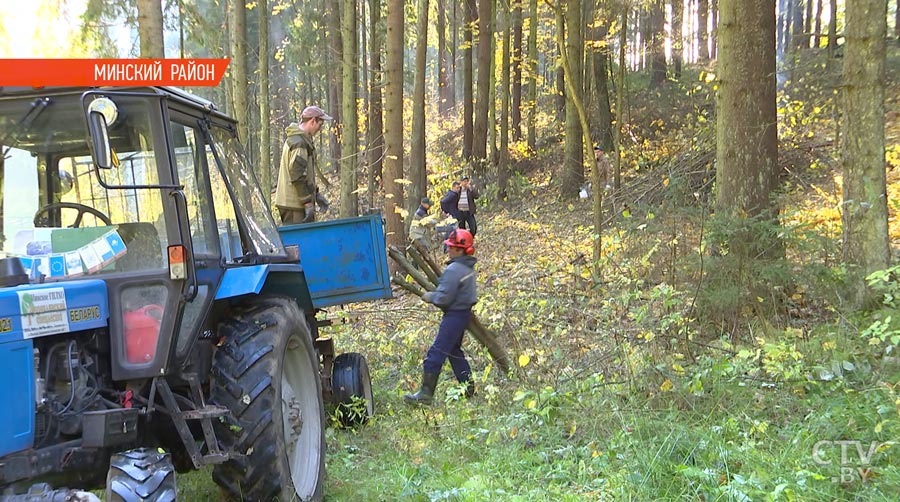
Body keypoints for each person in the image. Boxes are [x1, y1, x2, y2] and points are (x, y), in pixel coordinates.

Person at [404, 228, 478, 405]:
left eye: (452, 247)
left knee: (435, 354)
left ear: (460, 250)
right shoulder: (468, 268)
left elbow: (443, 298)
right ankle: (468, 389)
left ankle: (425, 395)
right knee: (454, 352)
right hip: (462, 315)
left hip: (453, 316)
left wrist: (430, 296)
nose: (449, 250)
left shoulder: (454, 270)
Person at [275, 105, 333, 224]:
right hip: (293, 204)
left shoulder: (301, 140)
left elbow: (305, 174)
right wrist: (307, 202)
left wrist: (315, 195)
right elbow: (297, 176)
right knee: (299, 241)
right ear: (312, 121)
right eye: (320, 124)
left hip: (296, 203)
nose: (319, 129)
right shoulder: (299, 143)